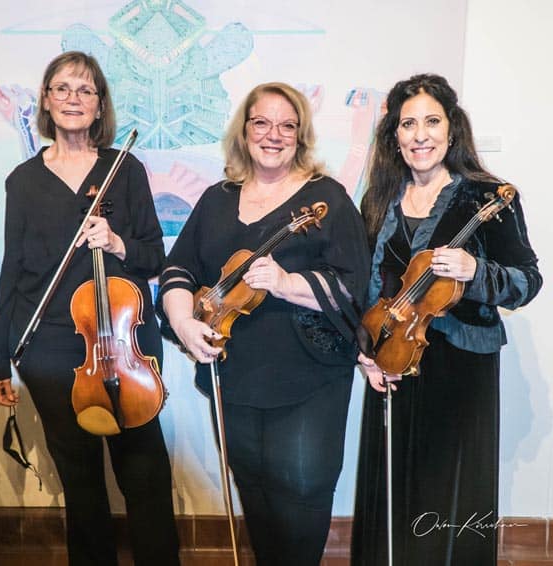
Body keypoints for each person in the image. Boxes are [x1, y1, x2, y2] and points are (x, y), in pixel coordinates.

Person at [157, 82, 371, 565]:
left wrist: (286, 282)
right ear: (244, 130)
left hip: (309, 376)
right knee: (253, 485)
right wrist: (183, 321)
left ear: (301, 136)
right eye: (262, 122)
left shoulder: (327, 198)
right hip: (233, 372)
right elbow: (178, 269)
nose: (273, 135)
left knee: (302, 489)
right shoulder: (217, 198)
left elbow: (353, 285)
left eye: (287, 126)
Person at [0, 51, 180, 566]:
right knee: (80, 480)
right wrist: (0, 355)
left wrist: (117, 243)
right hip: (49, 348)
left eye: (85, 90)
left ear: (100, 105)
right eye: (62, 88)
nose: (73, 99)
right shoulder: (23, 181)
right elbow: (13, 269)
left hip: (124, 343)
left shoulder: (125, 169)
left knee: (145, 473)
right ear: (46, 101)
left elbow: (154, 255)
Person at [350, 73, 542, 565]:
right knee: (392, 493)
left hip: (460, 371)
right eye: (408, 124)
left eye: (432, 122)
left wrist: (476, 271)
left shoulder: (488, 197)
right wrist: (365, 354)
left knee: (447, 496)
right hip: (391, 363)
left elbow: (527, 281)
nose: (420, 135)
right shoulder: (378, 199)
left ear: (452, 129)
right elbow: (365, 289)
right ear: (394, 135)